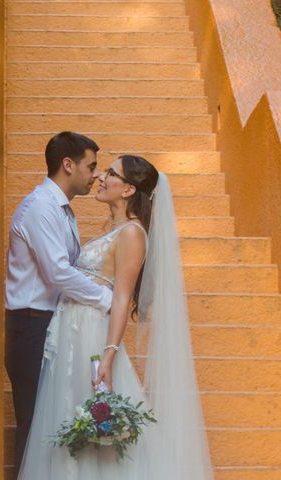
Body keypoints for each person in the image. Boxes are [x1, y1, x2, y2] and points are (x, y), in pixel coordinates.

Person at [18, 155, 214, 479]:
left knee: (95, 429)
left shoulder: (133, 234)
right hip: (72, 334)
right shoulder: (117, 229)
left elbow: (121, 296)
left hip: (92, 338)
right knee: (71, 421)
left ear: (128, 190)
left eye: (111, 173)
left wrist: (109, 355)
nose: (101, 178)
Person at [5, 131, 114, 477]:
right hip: (31, 326)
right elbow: (58, 273)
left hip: (50, 325)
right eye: (91, 166)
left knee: (52, 423)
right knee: (34, 424)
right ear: (68, 165)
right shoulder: (40, 208)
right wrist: (106, 298)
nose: (97, 175)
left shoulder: (64, 211)